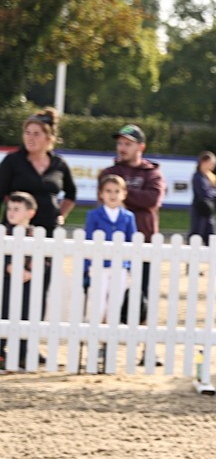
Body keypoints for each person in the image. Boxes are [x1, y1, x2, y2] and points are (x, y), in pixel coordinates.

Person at [101, 124, 163, 335]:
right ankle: (106, 339)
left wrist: (124, 196)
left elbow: (152, 199)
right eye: (120, 143)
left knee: (143, 293)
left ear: (141, 147)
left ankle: (144, 344)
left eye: (128, 144)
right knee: (110, 293)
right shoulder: (109, 172)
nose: (122, 147)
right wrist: (137, 198)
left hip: (144, 241)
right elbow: (106, 201)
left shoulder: (152, 173)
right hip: (114, 243)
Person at [0, 108, 76, 232]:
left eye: (36, 134)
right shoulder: (12, 161)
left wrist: (60, 214)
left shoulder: (59, 164)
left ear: (48, 137)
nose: (30, 138)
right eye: (27, 132)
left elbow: (71, 193)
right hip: (16, 231)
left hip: (49, 230)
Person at [83, 175, 137, 327]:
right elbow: (88, 242)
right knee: (98, 302)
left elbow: (132, 243)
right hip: (99, 265)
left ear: (124, 194)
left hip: (120, 266)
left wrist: (131, 266)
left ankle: (108, 338)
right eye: (108, 191)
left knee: (116, 301)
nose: (113, 195)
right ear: (101, 193)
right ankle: (97, 330)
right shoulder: (93, 215)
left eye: (116, 191)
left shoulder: (128, 217)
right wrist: (86, 267)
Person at [1, 193, 41, 370]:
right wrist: (8, 266)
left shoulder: (35, 234)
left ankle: (22, 355)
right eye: (9, 208)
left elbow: (45, 259)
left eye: (16, 209)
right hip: (5, 284)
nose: (11, 212)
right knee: (3, 315)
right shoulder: (4, 232)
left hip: (28, 285)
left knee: (26, 316)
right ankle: (1, 354)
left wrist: (31, 270)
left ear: (30, 213)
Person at [189, 151, 216, 243]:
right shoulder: (197, 177)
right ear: (204, 162)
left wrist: (212, 192)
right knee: (196, 235)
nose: (213, 166)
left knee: (211, 236)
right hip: (199, 211)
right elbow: (205, 194)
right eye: (211, 163)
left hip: (208, 211)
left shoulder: (211, 177)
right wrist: (213, 192)